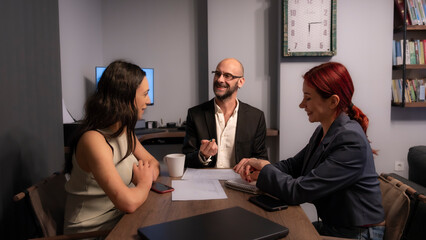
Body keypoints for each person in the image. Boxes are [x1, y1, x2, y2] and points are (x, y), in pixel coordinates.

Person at [234, 62, 385, 239]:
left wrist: (266, 168)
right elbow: (293, 166)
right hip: (338, 227)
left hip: (357, 234)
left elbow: (298, 191)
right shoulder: (325, 130)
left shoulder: (351, 140)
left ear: (333, 101)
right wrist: (258, 168)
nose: (301, 105)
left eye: (308, 98)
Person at [63, 60, 160, 234]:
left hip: (120, 220)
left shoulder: (125, 131)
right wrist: (144, 182)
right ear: (125, 97)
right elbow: (128, 203)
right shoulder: (93, 140)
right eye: (145, 94)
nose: (149, 100)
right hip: (93, 233)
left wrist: (144, 180)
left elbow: (154, 163)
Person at [182, 58, 268, 168]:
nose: (220, 80)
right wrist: (202, 155)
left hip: (240, 182)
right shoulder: (195, 114)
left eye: (227, 76)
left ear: (240, 82)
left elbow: (261, 159)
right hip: (205, 181)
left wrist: (250, 167)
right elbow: (186, 159)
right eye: (217, 74)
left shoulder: (256, 117)